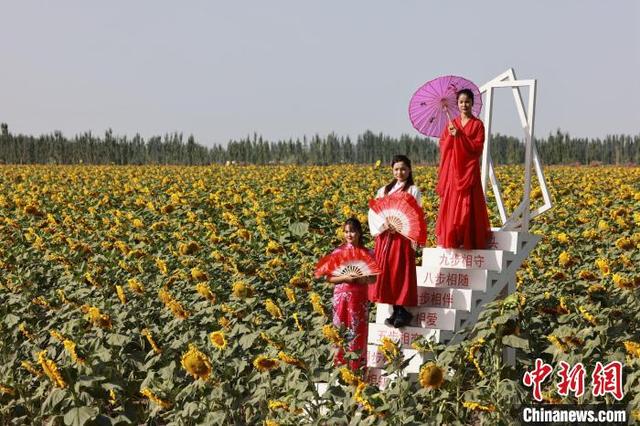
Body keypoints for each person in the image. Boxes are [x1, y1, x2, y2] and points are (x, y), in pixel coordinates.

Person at [368, 155, 421, 328]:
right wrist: (384, 224)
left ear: (410, 170)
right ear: (392, 170)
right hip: (385, 237)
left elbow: (415, 215)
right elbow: (374, 212)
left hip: (402, 238)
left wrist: (413, 236)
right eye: (397, 169)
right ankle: (395, 308)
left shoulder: (413, 190)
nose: (400, 172)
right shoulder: (383, 190)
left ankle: (401, 309)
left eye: (404, 169)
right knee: (387, 272)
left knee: (400, 272)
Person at [435, 89, 491, 250]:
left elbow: (477, 148)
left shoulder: (478, 125)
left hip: (469, 171)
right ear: (457, 104)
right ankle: (453, 238)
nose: (464, 104)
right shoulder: (452, 124)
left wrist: (460, 137)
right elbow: (443, 145)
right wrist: (452, 138)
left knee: (468, 208)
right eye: (461, 102)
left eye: (467, 101)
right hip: (453, 171)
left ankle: (468, 238)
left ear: (472, 103)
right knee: (452, 206)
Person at [326, 218, 374, 371]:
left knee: (358, 331)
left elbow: (374, 278)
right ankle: (340, 369)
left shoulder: (368, 253)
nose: (349, 235)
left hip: (359, 297)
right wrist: (345, 278)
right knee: (340, 331)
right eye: (346, 232)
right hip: (341, 298)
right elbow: (330, 278)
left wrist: (362, 278)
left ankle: (357, 369)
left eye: (352, 231)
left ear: (359, 233)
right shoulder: (338, 252)